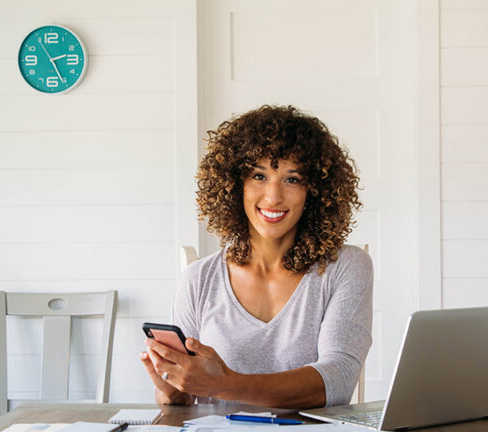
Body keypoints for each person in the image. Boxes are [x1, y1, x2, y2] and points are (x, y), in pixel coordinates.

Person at [139, 105, 372, 409]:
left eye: (292, 179)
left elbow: (338, 379)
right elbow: (183, 402)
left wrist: (225, 384)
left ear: (314, 190)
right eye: (259, 176)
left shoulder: (346, 267)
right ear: (235, 185)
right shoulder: (199, 279)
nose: (273, 196)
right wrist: (171, 389)